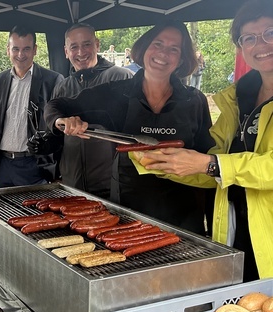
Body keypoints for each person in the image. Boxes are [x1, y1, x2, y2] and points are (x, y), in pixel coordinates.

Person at [130, 0, 273, 281]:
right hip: (235, 229)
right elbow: (217, 168)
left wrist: (210, 164)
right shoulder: (237, 98)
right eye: (249, 38)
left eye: (270, 32)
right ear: (241, 46)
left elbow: (223, 165)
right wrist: (164, 163)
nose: (261, 44)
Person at [44, 20, 214, 235]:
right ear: (144, 48)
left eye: (174, 49)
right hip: (129, 208)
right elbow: (57, 105)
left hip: (183, 211)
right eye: (158, 44)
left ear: (181, 59)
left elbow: (208, 159)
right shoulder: (117, 93)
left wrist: (210, 223)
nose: (163, 53)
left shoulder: (194, 100)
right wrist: (62, 121)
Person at [0, 25, 64, 187]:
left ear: (35, 50)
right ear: (8, 50)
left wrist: (57, 170)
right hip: (4, 165)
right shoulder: (0, 79)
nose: (20, 54)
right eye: (16, 49)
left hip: (35, 165)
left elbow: (59, 130)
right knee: (3, 205)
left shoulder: (52, 80)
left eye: (26, 49)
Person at [49, 23, 133, 198]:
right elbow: (57, 136)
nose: (81, 52)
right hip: (72, 183)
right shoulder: (62, 87)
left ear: (97, 45)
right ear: (66, 51)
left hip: (112, 185)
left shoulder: (121, 77)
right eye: (74, 47)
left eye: (86, 44)